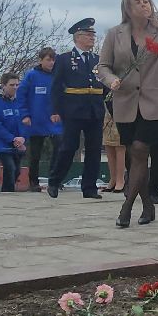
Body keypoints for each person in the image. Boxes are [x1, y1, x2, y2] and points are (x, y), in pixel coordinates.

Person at [98, 0, 158, 228]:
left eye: (147, 1)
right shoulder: (115, 34)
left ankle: (126, 208)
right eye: (138, 2)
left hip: (156, 103)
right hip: (126, 102)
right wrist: (110, 79)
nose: (144, 5)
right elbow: (103, 65)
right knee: (135, 159)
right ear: (128, 8)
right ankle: (148, 205)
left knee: (141, 149)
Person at [47, 19, 107, 199]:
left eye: (93, 35)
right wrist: (55, 110)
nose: (92, 38)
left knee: (94, 150)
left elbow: (104, 86)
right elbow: (56, 86)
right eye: (88, 35)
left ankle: (89, 188)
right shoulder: (65, 59)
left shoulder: (98, 60)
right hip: (73, 110)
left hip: (94, 109)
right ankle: (55, 180)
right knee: (69, 147)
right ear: (78, 37)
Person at [15, 48, 60, 192]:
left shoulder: (58, 75)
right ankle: (33, 181)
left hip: (54, 120)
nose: (51, 62)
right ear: (40, 60)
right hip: (36, 120)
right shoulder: (31, 76)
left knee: (60, 148)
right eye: (48, 59)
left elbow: (63, 96)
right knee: (35, 153)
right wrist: (25, 115)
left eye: (53, 59)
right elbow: (21, 97)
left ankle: (55, 180)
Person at [0, 72, 28, 192]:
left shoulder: (19, 101)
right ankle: (8, 194)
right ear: (3, 86)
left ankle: (7, 191)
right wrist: (12, 139)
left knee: (17, 170)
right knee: (10, 167)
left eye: (17, 85)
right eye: (12, 85)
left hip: (18, 144)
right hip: (1, 144)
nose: (15, 87)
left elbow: (25, 121)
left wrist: (23, 138)